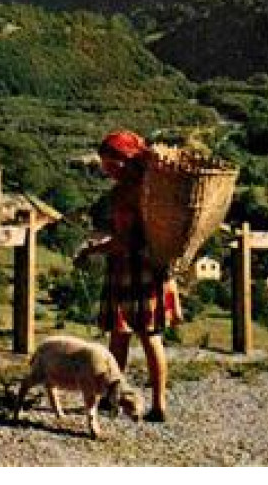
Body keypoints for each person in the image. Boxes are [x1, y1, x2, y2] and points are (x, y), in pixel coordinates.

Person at [74, 129, 180, 422]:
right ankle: (136, 401)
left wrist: (95, 250)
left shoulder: (137, 192)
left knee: (140, 338)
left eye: (110, 162)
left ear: (126, 159)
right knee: (133, 337)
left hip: (135, 269)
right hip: (140, 270)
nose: (106, 169)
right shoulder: (145, 188)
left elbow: (128, 240)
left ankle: (142, 402)